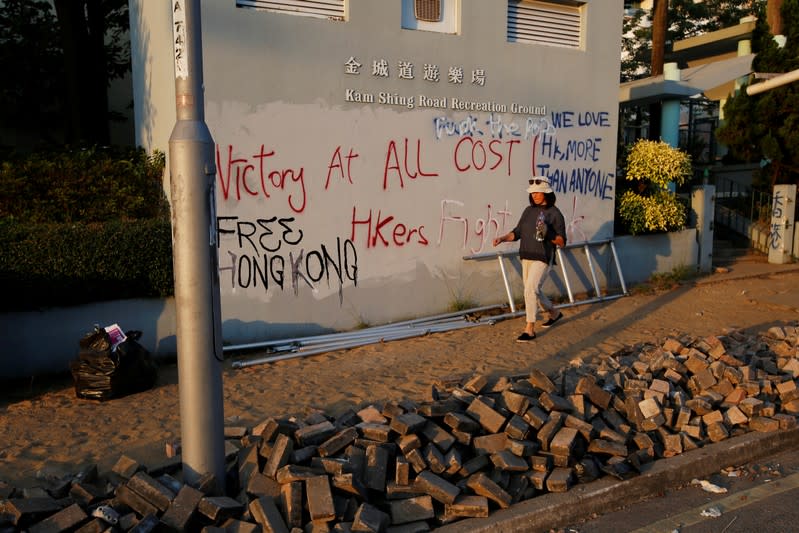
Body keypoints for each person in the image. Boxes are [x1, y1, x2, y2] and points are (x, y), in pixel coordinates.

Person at [492, 176, 567, 342]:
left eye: (538, 192)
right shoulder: (528, 211)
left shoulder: (554, 213)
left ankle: (529, 329)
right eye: (532, 193)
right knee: (533, 290)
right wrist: (503, 238)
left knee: (529, 290)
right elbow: (517, 232)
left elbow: (562, 242)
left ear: (546, 192)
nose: (534, 195)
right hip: (526, 255)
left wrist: (548, 233)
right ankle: (554, 314)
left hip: (543, 257)